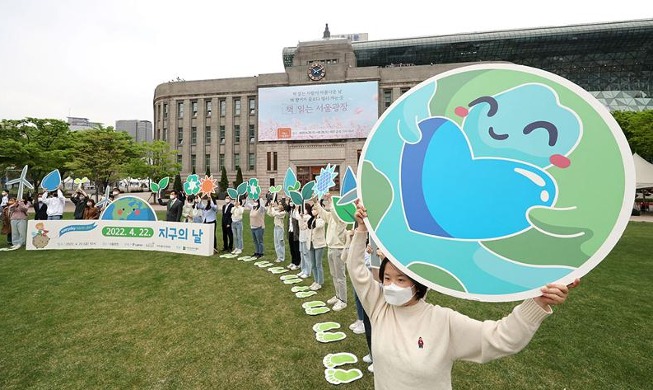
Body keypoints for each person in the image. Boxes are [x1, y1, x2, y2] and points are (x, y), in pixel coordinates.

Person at [348, 201, 579, 390]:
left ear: (418, 284)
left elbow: (500, 338)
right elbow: (356, 269)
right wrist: (361, 230)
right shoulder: (379, 308)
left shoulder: (443, 321)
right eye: (386, 278)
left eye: (400, 280)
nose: (390, 286)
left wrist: (537, 303)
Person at [314, 193, 349, 311]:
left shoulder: (341, 219)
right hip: (331, 247)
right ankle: (338, 295)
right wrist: (316, 203)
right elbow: (324, 214)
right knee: (334, 274)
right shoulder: (331, 217)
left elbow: (334, 213)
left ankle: (343, 300)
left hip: (338, 249)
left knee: (340, 276)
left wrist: (330, 200)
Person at [307, 202, 326, 291]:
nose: (313, 211)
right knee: (313, 264)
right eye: (312, 209)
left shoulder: (321, 218)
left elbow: (319, 225)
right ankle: (315, 280)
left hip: (319, 244)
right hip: (311, 243)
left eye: (315, 209)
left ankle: (320, 282)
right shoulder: (311, 219)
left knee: (318, 264)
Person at [295, 203, 312, 279]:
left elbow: (303, 227)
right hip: (301, 238)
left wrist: (301, 217)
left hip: (306, 238)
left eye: (305, 209)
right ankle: (303, 269)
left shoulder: (308, 217)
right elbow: (297, 216)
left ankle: (308, 271)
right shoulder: (301, 217)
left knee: (306, 255)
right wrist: (296, 209)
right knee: (302, 253)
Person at [285, 202, 301, 270]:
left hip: (296, 232)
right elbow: (285, 207)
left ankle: (297, 263)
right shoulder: (290, 211)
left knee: (296, 248)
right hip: (290, 231)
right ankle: (293, 261)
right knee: (291, 248)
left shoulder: (297, 211)